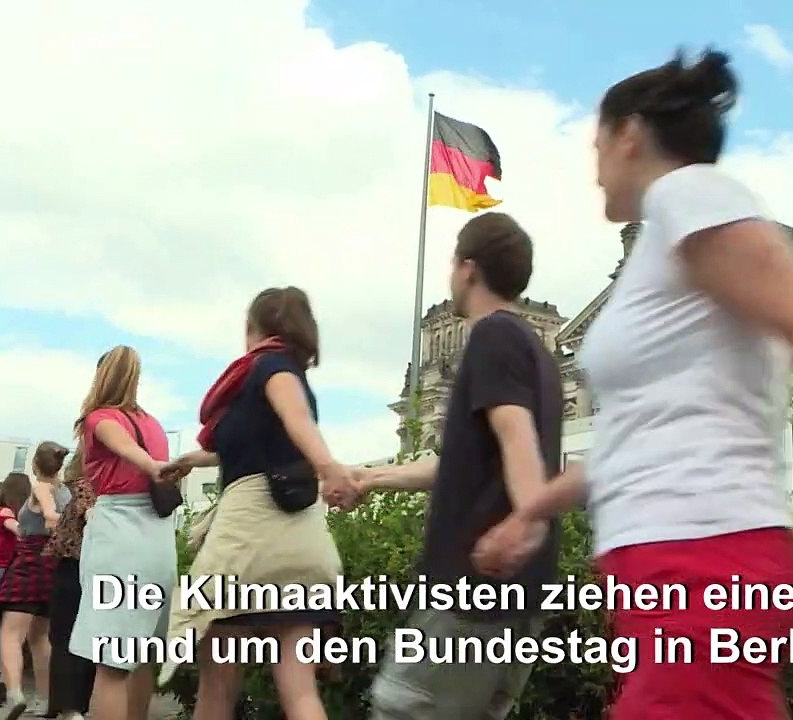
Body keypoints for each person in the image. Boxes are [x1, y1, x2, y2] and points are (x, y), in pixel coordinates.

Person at [472, 49, 793, 719]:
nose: (593, 166)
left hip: (705, 560)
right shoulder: (664, 244)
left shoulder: (689, 192)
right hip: (669, 566)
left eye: (595, 144)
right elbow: (634, 441)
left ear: (628, 135)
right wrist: (530, 513)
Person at [361, 213, 564, 720]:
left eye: (454, 261)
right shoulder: (538, 356)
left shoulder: (492, 336)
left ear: (468, 268)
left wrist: (524, 519)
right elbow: (461, 464)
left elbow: (514, 434)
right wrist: (371, 478)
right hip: (522, 590)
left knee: (401, 710)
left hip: (474, 583)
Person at [159, 286, 353, 720]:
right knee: (300, 691)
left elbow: (294, 420)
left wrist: (329, 467)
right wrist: (196, 458)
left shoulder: (270, 367)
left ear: (253, 329)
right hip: (301, 545)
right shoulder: (291, 378)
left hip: (249, 544)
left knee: (217, 691)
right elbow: (274, 436)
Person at [71, 345, 178, 720]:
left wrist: (151, 466)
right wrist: (164, 466)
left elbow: (122, 445)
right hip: (160, 544)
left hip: (120, 536)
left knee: (111, 663)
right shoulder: (153, 423)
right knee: (143, 656)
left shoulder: (98, 418)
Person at [0, 442, 72, 720]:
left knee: (10, 633)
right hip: (53, 567)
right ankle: (48, 699)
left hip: (29, 563)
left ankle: (14, 692)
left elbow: (50, 515)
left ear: (35, 465)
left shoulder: (41, 487)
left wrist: (52, 518)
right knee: (40, 637)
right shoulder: (67, 492)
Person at [45, 448, 98, 719]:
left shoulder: (83, 486)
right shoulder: (103, 488)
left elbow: (89, 514)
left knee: (65, 635)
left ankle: (69, 707)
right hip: (96, 566)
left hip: (74, 566)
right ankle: (74, 705)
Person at [0, 476, 29, 709]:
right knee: (5, 631)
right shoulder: (11, 513)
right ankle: (3, 681)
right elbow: (18, 530)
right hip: (12, 571)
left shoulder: (1, 511)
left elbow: (16, 529)